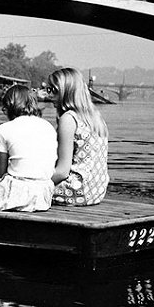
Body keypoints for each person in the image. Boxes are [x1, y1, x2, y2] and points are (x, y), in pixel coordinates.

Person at [47, 67, 109, 206]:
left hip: (75, 191)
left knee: (22, 188)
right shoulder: (96, 118)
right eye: (49, 90)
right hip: (96, 191)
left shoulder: (68, 119)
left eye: (54, 91)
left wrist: (35, 181)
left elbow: (62, 172)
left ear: (66, 91)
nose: (49, 95)